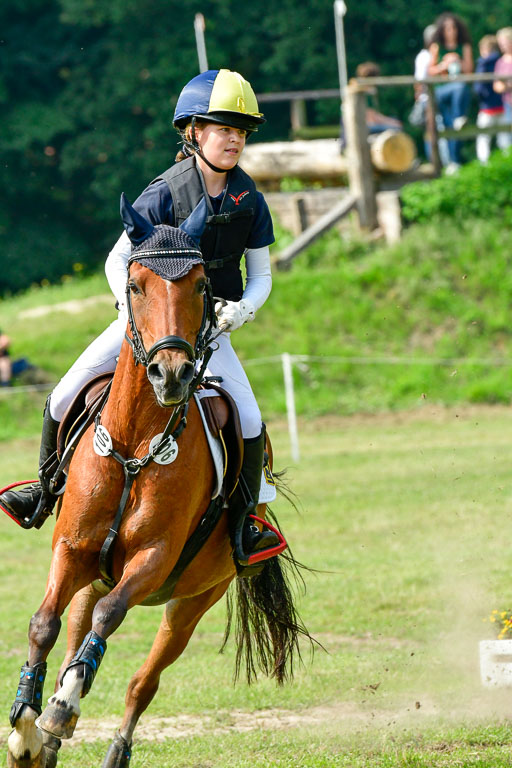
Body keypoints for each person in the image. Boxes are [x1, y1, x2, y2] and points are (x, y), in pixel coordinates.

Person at [0, 69, 279, 560]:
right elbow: (116, 261)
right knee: (64, 393)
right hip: (144, 327)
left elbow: (261, 275)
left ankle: (244, 526)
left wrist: (243, 310)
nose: (234, 139)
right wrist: (134, 312)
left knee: (250, 418)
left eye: (241, 131)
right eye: (223, 129)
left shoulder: (249, 199)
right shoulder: (165, 192)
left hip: (209, 332)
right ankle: (44, 491)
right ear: (193, 132)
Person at [428, 13, 474, 173]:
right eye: (447, 28)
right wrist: (444, 64)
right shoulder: (437, 46)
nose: (451, 31)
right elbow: (430, 71)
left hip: (459, 94)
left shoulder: (464, 46)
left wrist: (458, 61)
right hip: (442, 90)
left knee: (453, 126)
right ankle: (452, 160)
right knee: (453, 121)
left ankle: (454, 162)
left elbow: (469, 70)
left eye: (453, 27)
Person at [410, 24, 450, 166]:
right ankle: (438, 163)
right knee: (434, 130)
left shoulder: (434, 54)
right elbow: (420, 80)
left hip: (434, 96)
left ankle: (439, 163)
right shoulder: (425, 56)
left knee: (436, 130)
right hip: (428, 98)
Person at [475, 35, 510, 163]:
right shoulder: (501, 61)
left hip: (487, 107)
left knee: (484, 138)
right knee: (505, 138)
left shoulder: (483, 64)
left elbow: (478, 88)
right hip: (502, 105)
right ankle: (507, 163)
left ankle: (484, 165)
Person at [355, 62, 403, 134]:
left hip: (365, 125)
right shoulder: (365, 93)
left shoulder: (362, 90)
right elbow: (372, 119)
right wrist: (391, 122)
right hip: (365, 127)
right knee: (396, 127)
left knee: (394, 119)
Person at [494, 27, 512, 136]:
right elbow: (496, 85)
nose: (501, 45)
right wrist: (506, 86)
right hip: (508, 102)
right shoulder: (500, 62)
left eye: (504, 42)